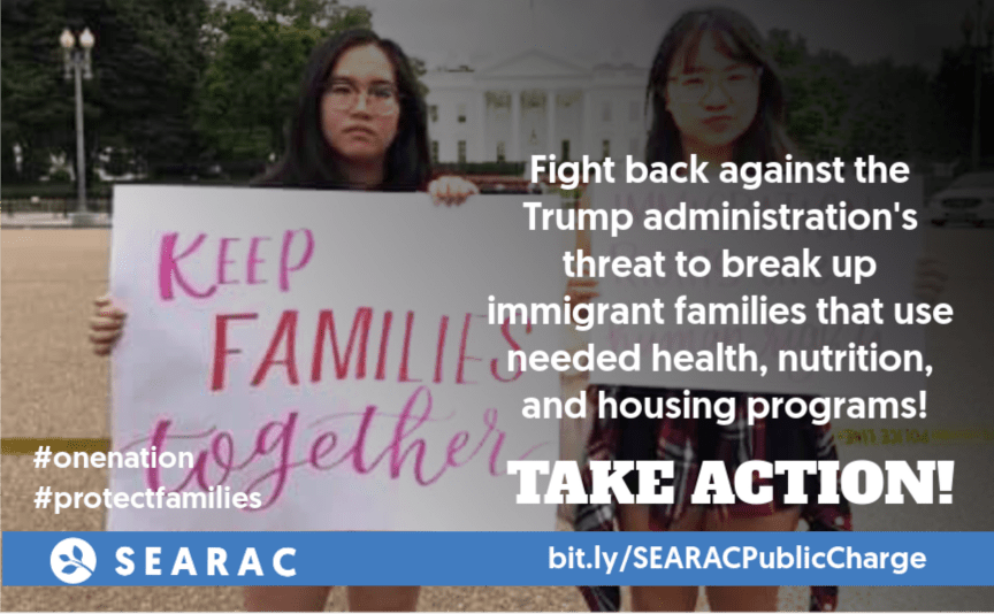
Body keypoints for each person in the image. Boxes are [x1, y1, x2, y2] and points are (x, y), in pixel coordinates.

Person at [564, 7, 945, 613]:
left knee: (747, 602)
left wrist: (895, 297)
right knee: (658, 603)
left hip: (765, 421)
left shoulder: (812, 196)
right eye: (692, 79)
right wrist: (576, 310)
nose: (716, 95)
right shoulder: (617, 200)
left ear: (760, 84)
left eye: (735, 75)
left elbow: (840, 326)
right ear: (664, 97)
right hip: (651, 419)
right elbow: (578, 348)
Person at [89, 29, 477, 613]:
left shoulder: (439, 214)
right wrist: (124, 325)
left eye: (381, 92)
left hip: (396, 464)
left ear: (404, 112)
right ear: (315, 102)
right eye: (343, 88)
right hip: (287, 470)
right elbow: (189, 327)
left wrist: (462, 217)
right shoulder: (255, 218)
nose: (362, 106)